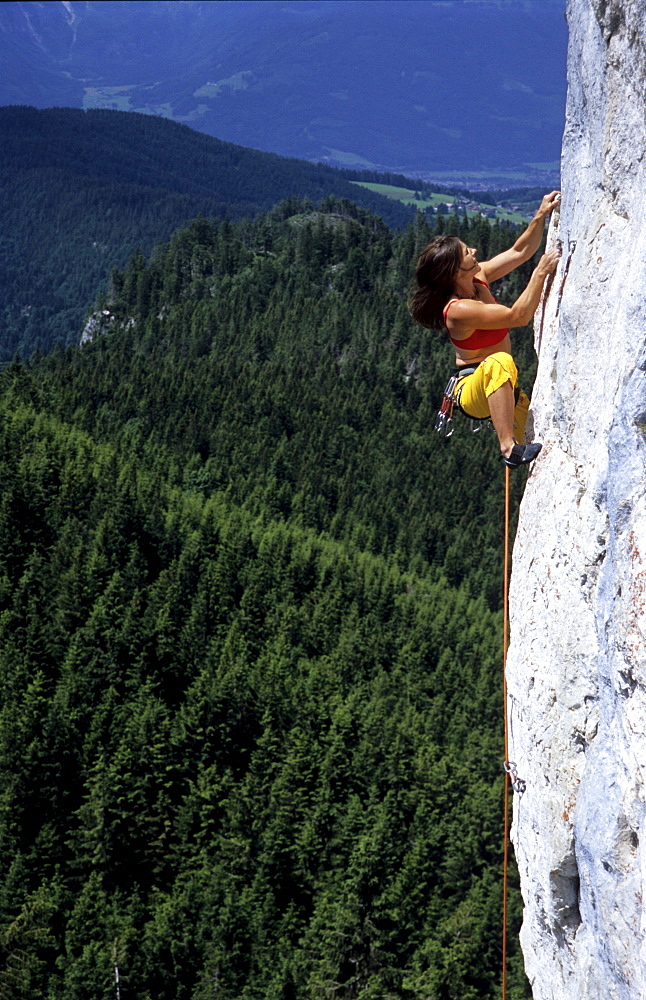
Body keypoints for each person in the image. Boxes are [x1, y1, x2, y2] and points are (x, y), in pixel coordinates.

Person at [410, 191, 561, 467]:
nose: (474, 251)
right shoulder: (458, 310)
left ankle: (517, 446)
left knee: (544, 443)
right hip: (473, 388)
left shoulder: (477, 278)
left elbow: (519, 252)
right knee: (499, 362)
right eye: (467, 252)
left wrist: (541, 215)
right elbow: (518, 316)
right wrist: (540, 273)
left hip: (501, 385)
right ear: (455, 271)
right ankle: (508, 449)